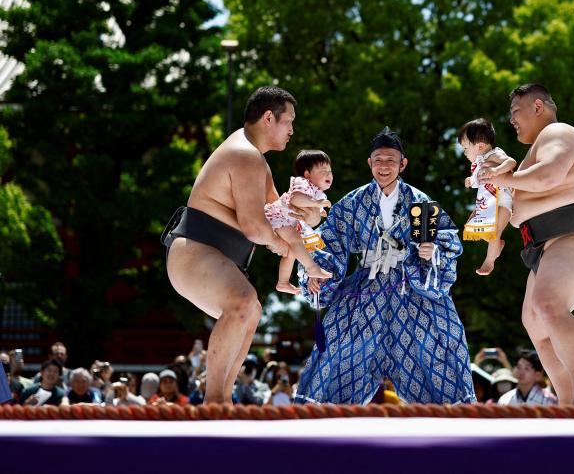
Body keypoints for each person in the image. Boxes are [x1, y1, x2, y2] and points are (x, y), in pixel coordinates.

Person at [295, 127, 476, 405]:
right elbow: (326, 242)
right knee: (336, 346)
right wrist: (315, 270)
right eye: (378, 160)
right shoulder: (351, 204)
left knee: (440, 341)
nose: (384, 166)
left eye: (391, 160)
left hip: (412, 291)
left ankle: (449, 433)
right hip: (365, 291)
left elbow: (447, 241)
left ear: (402, 164)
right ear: (369, 163)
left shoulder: (420, 203)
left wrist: (432, 252)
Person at [161, 86, 309, 404]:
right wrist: (279, 245)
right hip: (197, 251)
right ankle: (214, 400)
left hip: (214, 255)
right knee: (243, 300)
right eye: (289, 122)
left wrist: (310, 217)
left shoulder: (257, 163)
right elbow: (257, 228)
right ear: (268, 118)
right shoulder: (243, 154)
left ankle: (223, 398)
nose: (292, 130)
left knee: (251, 309)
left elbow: (281, 220)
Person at [480, 84, 574, 405]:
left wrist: (505, 180)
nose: (511, 120)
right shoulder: (527, 155)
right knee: (536, 325)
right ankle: (568, 398)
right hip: (543, 248)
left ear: (538, 107)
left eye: (516, 112)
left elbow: (549, 178)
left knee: (548, 304)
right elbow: (513, 206)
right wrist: (494, 238)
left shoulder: (559, 133)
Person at [264, 149, 334, 292]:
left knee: (292, 252)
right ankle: (312, 268)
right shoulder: (302, 182)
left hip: (289, 222)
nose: (328, 174)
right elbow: (297, 199)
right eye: (323, 170)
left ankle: (283, 282)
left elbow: (312, 213)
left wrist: (319, 209)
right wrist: (316, 204)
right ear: (308, 174)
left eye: (330, 171)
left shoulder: (319, 193)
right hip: (279, 217)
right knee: (295, 241)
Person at [457, 118, 517, 275]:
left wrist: (496, 170)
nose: (464, 153)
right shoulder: (477, 165)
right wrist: (471, 180)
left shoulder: (494, 154)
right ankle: (496, 245)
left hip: (503, 201)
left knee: (494, 232)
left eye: (465, 148)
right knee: (473, 227)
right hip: (486, 203)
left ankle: (489, 261)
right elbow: (480, 181)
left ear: (480, 146)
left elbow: (510, 162)